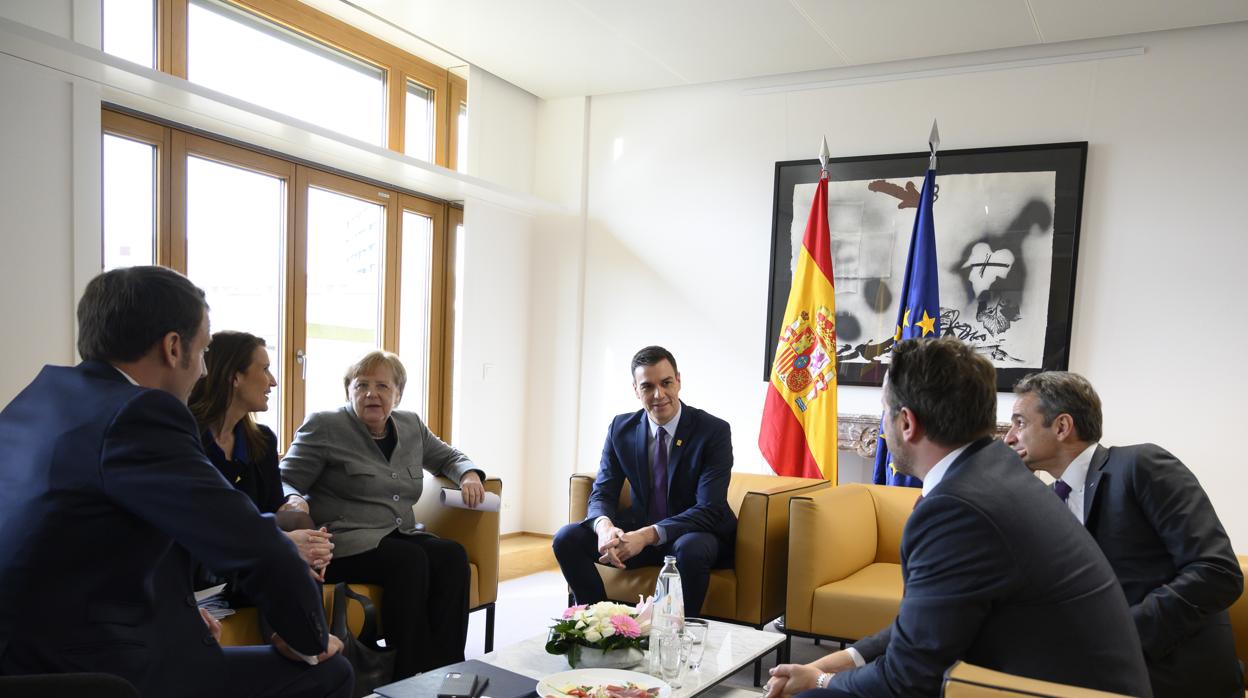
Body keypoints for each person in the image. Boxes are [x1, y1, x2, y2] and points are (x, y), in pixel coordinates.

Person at [0, 266, 350, 698]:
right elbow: (253, 547)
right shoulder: (139, 414)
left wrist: (174, 611)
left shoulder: (41, 398)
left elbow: (80, 538)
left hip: (24, 655)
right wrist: (310, 642)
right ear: (172, 347)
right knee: (327, 673)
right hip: (91, 667)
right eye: (203, 351)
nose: (204, 371)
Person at [767, 338, 1151, 698]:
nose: (883, 424)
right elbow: (924, 628)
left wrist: (820, 680)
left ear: (906, 422)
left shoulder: (958, 509)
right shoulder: (993, 471)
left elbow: (908, 679)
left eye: (885, 411)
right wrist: (839, 660)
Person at [1006, 371, 1243, 698]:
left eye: (1019, 423)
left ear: (1062, 427)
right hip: (1087, 674)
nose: (1009, 438)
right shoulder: (1046, 501)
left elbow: (1217, 572)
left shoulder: (1140, 465)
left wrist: (1118, 638)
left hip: (1170, 675)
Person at [279, 350, 485, 680]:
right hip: (344, 543)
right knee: (409, 560)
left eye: (382, 386)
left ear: (398, 393)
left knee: (451, 555)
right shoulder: (325, 425)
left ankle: (447, 668)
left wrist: (469, 474)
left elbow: (449, 457)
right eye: (361, 385)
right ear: (348, 390)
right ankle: (408, 673)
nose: (371, 394)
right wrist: (293, 499)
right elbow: (286, 476)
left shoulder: (410, 425)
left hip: (398, 533)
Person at [552, 345, 735, 617]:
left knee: (690, 549)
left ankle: (675, 635)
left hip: (694, 534)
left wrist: (647, 535)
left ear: (679, 381)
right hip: (639, 535)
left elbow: (708, 508)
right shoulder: (621, 428)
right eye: (648, 387)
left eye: (666, 383)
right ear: (636, 391)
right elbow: (603, 492)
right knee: (567, 538)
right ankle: (600, 622)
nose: (659, 394)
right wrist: (604, 527)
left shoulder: (713, 430)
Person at [188, 331, 334, 588]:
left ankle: (302, 626)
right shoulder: (185, 437)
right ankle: (310, 627)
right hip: (206, 558)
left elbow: (275, 510)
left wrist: (298, 513)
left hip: (256, 562)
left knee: (297, 526)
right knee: (284, 552)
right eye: (265, 369)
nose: (274, 381)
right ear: (235, 376)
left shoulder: (262, 440)